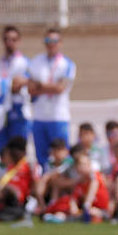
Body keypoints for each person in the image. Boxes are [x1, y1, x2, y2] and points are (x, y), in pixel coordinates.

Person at [27, 27, 75, 170]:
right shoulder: (36, 61)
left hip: (58, 117)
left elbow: (60, 88)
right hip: (39, 116)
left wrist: (40, 86)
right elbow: (30, 89)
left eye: (54, 41)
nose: (51, 44)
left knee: (62, 156)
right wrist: (50, 87)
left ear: (60, 43)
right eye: (48, 40)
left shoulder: (67, 63)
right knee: (41, 158)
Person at [0, 25, 30, 154]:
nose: (9, 43)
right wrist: (10, 84)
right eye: (6, 39)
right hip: (0, 112)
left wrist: (0, 85)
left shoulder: (25, 63)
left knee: (17, 150)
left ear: (19, 41)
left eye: (13, 39)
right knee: (3, 151)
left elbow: (22, 85)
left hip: (18, 110)